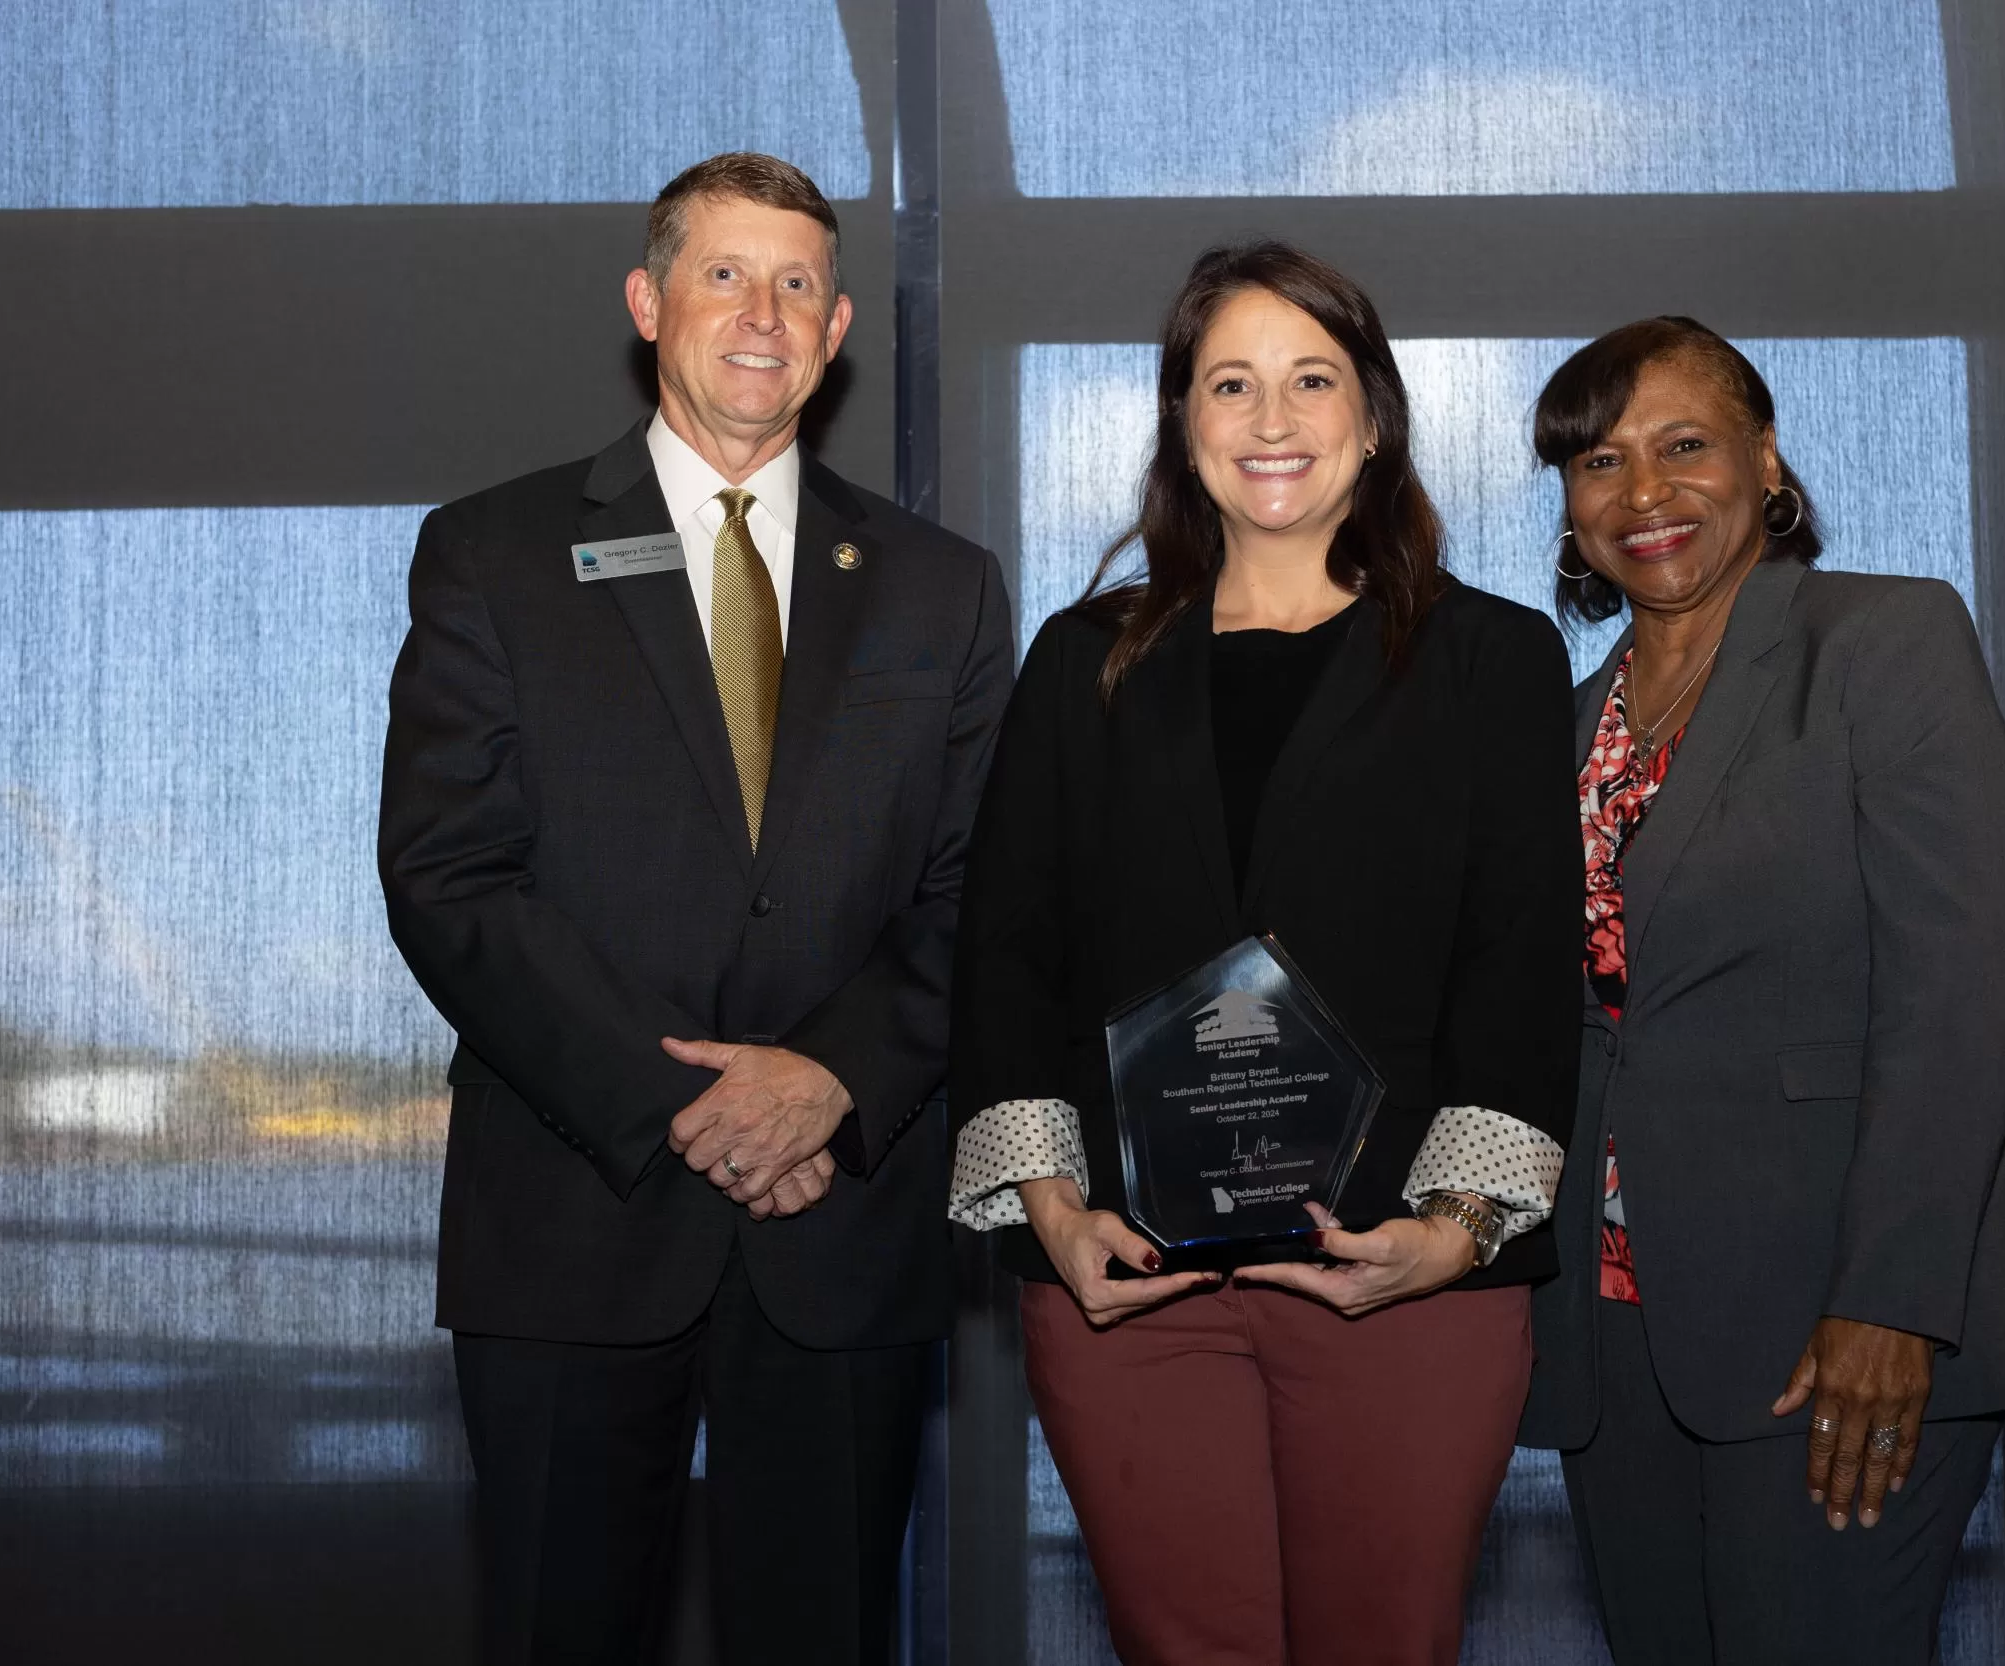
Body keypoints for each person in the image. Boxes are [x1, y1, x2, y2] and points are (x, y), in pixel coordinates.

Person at [379, 152, 1012, 1664]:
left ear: (841, 324)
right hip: (573, 1211)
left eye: (798, 283)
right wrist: (686, 1104)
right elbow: (451, 873)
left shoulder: (944, 588)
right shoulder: (494, 552)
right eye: (725, 274)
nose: (762, 313)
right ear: (648, 301)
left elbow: (981, 887)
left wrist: (824, 1082)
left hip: (841, 1223)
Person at [947, 242, 1576, 1666]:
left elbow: (1522, 966)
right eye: (1231, 383)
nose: (1272, 419)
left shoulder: (1493, 661)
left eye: (1311, 380)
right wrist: (1048, 1208)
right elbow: (1009, 955)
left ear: (1374, 416)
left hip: (1401, 1280)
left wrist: (1455, 1231)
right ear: (1185, 421)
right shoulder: (1081, 660)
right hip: (1131, 1293)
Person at [1517, 317, 2005, 1664]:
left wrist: (1892, 1303)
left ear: (1765, 461)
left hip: (1834, 1322)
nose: (1643, 494)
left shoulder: (1882, 640)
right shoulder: (1566, 714)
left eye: (1684, 447)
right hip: (1619, 1334)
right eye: (1600, 459)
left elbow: (1963, 983)